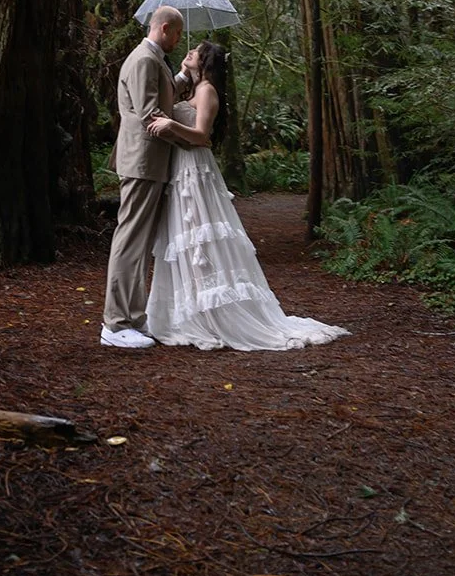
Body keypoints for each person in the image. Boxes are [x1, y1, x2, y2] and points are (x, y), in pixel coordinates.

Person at [145, 42, 349, 351]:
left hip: (196, 170)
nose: (189, 52)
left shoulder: (208, 91)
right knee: (184, 238)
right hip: (179, 169)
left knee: (201, 238)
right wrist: (183, 76)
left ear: (205, 62)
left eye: (195, 52)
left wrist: (171, 124)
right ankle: (189, 309)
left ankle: (216, 311)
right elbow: (166, 97)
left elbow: (202, 136)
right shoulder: (190, 87)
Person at [101, 5, 192, 349]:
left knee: (139, 244)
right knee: (130, 242)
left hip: (150, 164)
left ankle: (133, 319)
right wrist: (191, 138)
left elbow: (160, 98)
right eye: (178, 34)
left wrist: (181, 77)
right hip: (141, 162)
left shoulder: (154, 60)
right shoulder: (143, 60)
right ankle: (115, 323)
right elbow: (150, 115)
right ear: (165, 28)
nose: (179, 40)